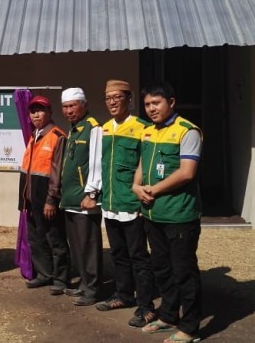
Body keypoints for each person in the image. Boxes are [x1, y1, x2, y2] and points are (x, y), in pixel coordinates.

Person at [133, 82, 203, 343]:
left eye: (156, 103)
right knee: (161, 269)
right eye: (147, 104)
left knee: (183, 272)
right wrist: (136, 186)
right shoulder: (148, 131)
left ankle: (190, 327)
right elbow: (142, 164)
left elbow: (187, 172)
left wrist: (153, 190)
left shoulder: (187, 131)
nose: (151, 109)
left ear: (171, 102)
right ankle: (168, 315)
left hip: (179, 215)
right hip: (153, 214)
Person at [95, 80, 157, 328]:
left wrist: (143, 199)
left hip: (131, 203)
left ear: (129, 100)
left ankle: (146, 306)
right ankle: (123, 294)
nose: (112, 102)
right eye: (108, 98)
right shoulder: (104, 129)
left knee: (138, 256)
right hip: (110, 202)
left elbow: (147, 166)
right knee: (118, 254)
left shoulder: (143, 128)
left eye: (117, 97)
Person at [18, 95, 70, 295]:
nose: (36, 115)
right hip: (31, 198)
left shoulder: (57, 136)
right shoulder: (34, 135)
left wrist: (51, 200)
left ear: (50, 112)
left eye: (40, 110)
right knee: (36, 238)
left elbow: (58, 172)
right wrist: (24, 199)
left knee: (55, 239)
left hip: (47, 198)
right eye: (32, 111)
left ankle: (61, 278)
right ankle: (44, 273)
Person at [59, 87, 103, 306]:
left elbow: (97, 163)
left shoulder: (93, 128)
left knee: (88, 246)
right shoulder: (74, 129)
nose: (68, 111)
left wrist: (92, 192)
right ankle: (85, 284)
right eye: (65, 107)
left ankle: (93, 289)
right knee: (77, 246)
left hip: (85, 199)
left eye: (72, 106)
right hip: (70, 199)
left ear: (84, 105)